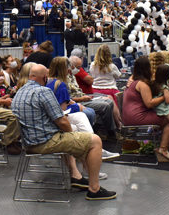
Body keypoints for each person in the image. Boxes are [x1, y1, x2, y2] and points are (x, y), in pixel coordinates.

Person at [12, 63, 117, 200]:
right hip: (45, 142)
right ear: (44, 78)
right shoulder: (43, 92)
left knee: (71, 136)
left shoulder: (19, 92)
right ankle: (94, 189)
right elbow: (61, 121)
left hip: (28, 143)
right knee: (95, 141)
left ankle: (76, 176)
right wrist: (72, 134)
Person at [121, 56, 169, 162]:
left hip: (128, 117)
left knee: (165, 116)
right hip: (137, 118)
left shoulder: (134, 81)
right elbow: (149, 104)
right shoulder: (142, 84)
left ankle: (160, 146)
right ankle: (163, 149)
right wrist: (164, 97)